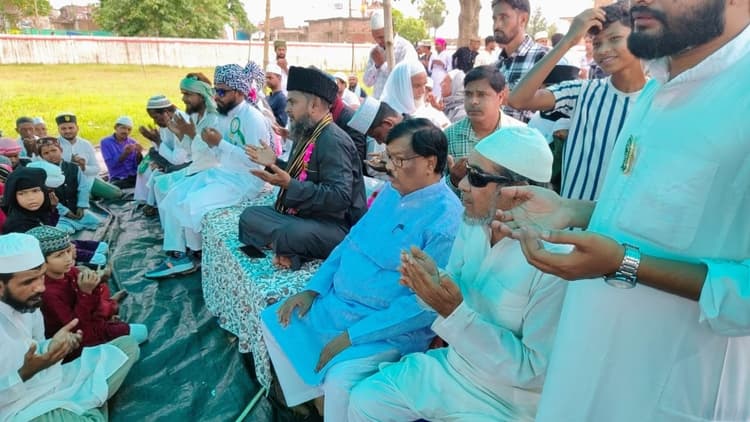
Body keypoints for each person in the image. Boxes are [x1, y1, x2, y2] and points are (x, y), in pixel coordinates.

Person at [494, 1, 750, 420]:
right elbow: (664, 211)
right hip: (582, 363)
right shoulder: (660, 83)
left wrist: (624, 264)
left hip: (672, 390)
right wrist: (572, 210)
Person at [349, 126, 566, 422]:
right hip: (454, 368)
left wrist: (453, 311)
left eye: (476, 177)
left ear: (520, 191)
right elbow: (452, 292)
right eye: (464, 171)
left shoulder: (555, 260)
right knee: (366, 401)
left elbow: (534, 371)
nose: (462, 184)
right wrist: (430, 284)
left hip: (507, 402)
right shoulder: (474, 224)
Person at [261, 119, 463, 420]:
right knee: (276, 320)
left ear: (429, 163)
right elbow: (351, 242)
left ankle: (327, 401)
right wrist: (313, 289)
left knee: (340, 380)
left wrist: (352, 336)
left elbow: (421, 308)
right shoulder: (392, 192)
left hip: (386, 329)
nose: (389, 167)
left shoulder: (446, 221)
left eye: (399, 159)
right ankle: (310, 397)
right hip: (337, 305)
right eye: (388, 157)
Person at [508, 2, 647, 201]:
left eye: (615, 39)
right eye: (597, 43)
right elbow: (518, 99)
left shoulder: (658, 99)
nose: (604, 50)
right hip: (569, 218)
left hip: (618, 219)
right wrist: (568, 41)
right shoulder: (582, 92)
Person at [146, 63, 270, 279]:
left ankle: (192, 255)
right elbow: (214, 155)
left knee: (189, 203)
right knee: (174, 196)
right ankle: (178, 254)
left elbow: (258, 163)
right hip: (223, 173)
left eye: (221, 92)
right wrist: (194, 137)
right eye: (215, 91)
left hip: (245, 180)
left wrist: (219, 143)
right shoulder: (224, 116)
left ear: (238, 92)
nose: (216, 96)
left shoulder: (253, 118)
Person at [0, 232, 140, 422]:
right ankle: (86, 406)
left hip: (48, 379)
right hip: (14, 408)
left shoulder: (29, 302)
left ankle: (82, 405)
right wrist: (25, 373)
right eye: (28, 282)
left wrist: (54, 346)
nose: (40, 287)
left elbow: (38, 346)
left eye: (41, 277)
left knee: (126, 347)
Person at [240, 66, 366, 270]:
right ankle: (288, 247)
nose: (286, 109)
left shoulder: (333, 140)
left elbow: (340, 197)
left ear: (314, 105)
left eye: (292, 102)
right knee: (250, 216)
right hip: (303, 216)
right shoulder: (306, 132)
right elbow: (299, 176)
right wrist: (273, 163)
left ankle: (287, 245)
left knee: (291, 234)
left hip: (335, 225)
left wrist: (290, 185)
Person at [27, 225, 148, 362]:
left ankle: (109, 310)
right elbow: (76, 328)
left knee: (102, 290)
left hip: (91, 321)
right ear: (41, 262)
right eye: (59, 255)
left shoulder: (70, 272)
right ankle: (109, 313)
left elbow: (92, 305)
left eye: (68, 251)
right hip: (80, 339)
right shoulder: (47, 294)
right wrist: (86, 293)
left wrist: (95, 285)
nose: (68, 258)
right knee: (141, 332)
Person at [444, 65, 525, 193]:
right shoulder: (449, 136)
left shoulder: (520, 135)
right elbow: (435, 191)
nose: (473, 101)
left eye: (481, 95)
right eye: (468, 94)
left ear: (500, 97)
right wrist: (454, 181)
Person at [492, 0, 549, 122]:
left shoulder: (545, 58)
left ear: (523, 19)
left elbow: (558, 116)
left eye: (503, 17)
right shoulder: (496, 66)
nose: (496, 25)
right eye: (494, 19)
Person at [134, 94, 191, 214]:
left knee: (161, 174)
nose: (155, 121)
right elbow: (163, 147)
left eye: (156, 117)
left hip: (190, 162)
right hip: (173, 159)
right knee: (150, 159)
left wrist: (157, 141)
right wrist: (155, 143)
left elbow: (178, 160)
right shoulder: (166, 121)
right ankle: (150, 203)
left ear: (166, 112)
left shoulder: (181, 122)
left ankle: (153, 205)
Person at [35, 137, 100, 235]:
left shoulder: (74, 167)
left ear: (61, 150)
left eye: (54, 150)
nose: (51, 155)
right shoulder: (42, 173)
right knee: (62, 230)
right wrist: (65, 212)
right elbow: (48, 197)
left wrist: (81, 206)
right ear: (42, 157)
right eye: (46, 153)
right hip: (58, 214)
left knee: (96, 222)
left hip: (76, 208)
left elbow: (83, 187)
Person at [363, 10, 419, 99]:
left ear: (391, 30)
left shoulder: (405, 49)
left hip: (397, 104)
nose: (378, 41)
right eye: (375, 37)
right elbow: (367, 82)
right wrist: (376, 66)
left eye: (381, 37)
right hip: (378, 102)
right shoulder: (375, 51)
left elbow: (403, 81)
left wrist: (382, 64)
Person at [55, 113, 100, 189]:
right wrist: (69, 165)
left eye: (71, 128)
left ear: (77, 128)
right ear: (58, 130)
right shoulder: (54, 145)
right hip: (64, 185)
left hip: (88, 182)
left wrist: (83, 167)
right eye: (63, 129)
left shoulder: (86, 144)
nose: (67, 131)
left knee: (116, 193)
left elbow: (96, 169)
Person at [100, 116, 144, 189]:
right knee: (115, 187)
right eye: (123, 128)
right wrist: (125, 154)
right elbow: (111, 165)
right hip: (118, 178)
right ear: (115, 127)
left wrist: (139, 154)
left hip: (134, 177)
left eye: (129, 129)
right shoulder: (106, 142)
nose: (126, 131)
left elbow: (138, 166)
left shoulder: (133, 142)